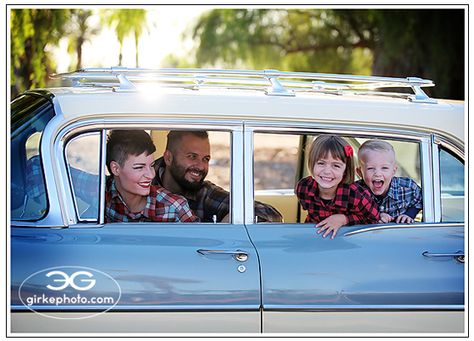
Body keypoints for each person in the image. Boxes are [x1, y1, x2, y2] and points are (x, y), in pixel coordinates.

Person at [152, 130, 283, 223]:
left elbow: (271, 214)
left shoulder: (204, 193)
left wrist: (233, 218)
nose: (200, 166)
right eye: (192, 157)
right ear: (168, 158)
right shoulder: (141, 183)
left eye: (206, 159)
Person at [295, 134, 379, 239]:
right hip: (314, 239)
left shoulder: (356, 195)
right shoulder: (304, 188)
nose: (327, 171)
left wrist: (344, 219)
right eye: (321, 163)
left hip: (346, 243)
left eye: (336, 165)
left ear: (345, 170)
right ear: (311, 164)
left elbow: (374, 219)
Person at [105, 130, 198, 223]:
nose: (151, 175)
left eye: (152, 165)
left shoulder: (176, 209)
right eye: (139, 167)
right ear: (115, 169)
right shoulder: (98, 193)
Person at [356, 139, 423, 224]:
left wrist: (409, 214)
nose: (378, 174)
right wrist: (374, 215)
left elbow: (420, 201)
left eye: (384, 168)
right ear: (359, 172)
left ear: (393, 171)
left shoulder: (408, 187)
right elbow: (348, 214)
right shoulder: (355, 193)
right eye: (370, 168)